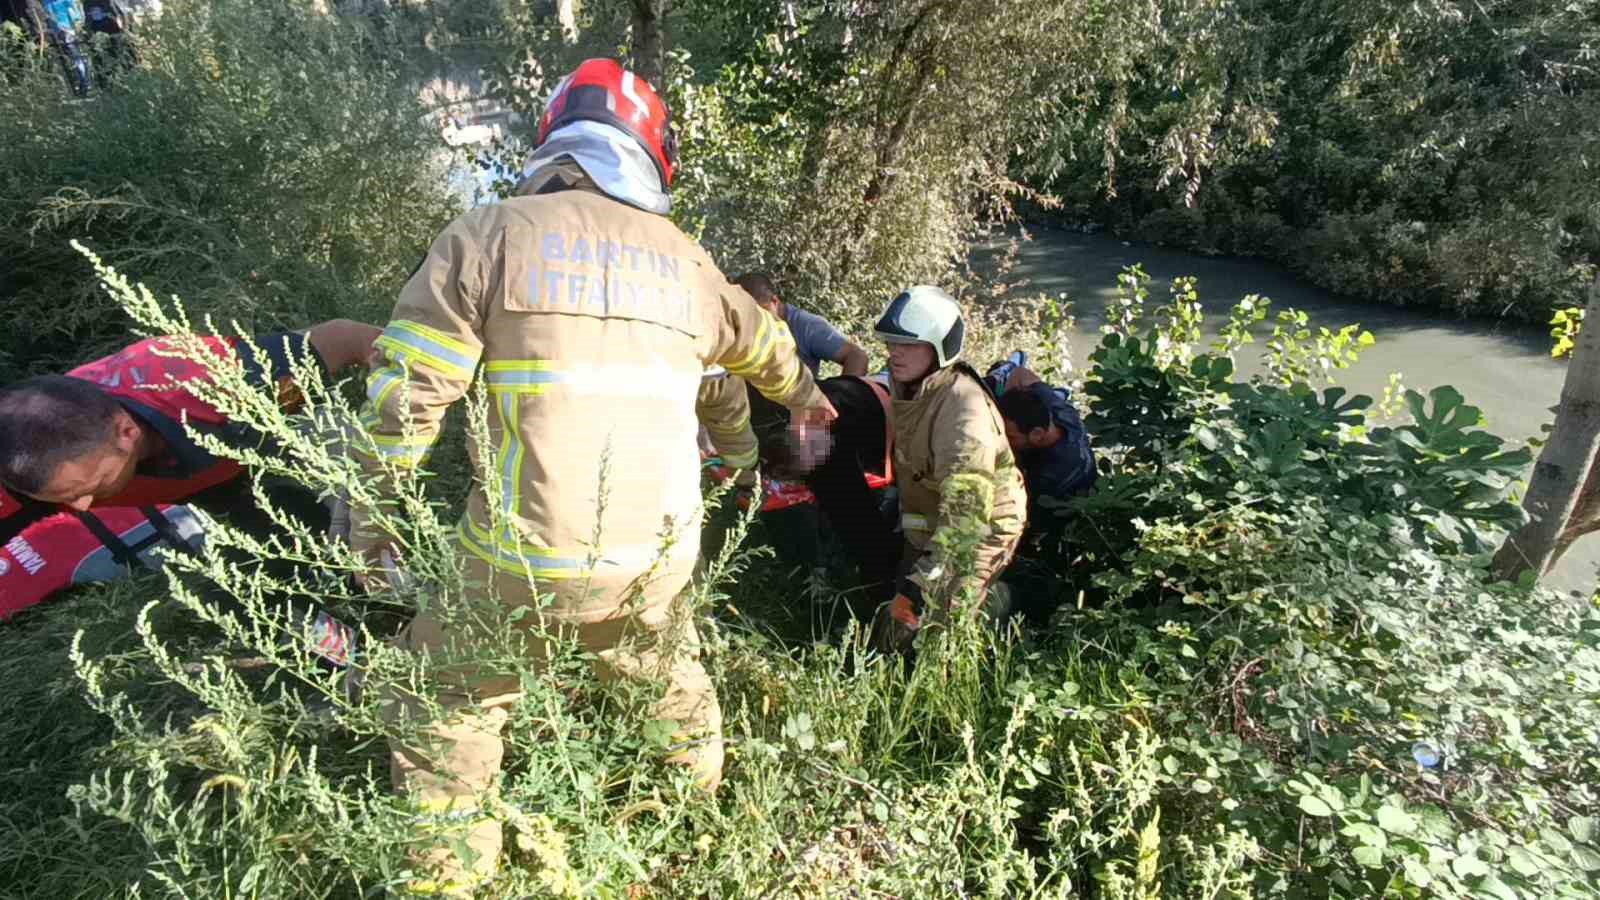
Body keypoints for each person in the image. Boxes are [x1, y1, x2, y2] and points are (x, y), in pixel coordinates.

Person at [348, 58, 834, 897]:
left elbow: (405, 401)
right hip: (654, 562)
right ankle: (688, 827)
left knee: (444, 708)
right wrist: (810, 403)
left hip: (519, 563)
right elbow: (769, 348)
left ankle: (447, 876)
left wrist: (372, 519)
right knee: (671, 684)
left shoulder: (487, 235)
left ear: (553, 142)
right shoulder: (690, 264)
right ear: (653, 158)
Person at [0, 320, 381, 657]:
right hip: (203, 484)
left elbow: (350, 338)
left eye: (90, 488)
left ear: (126, 433)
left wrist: (393, 453)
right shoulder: (27, 465)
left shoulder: (208, 379)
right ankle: (363, 660)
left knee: (360, 534)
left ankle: (401, 598)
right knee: (253, 587)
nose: (82, 508)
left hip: (264, 440)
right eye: (60, 499)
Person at [869, 285, 1027, 653]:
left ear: (940, 347)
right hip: (931, 519)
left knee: (939, 634)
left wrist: (926, 581)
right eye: (891, 342)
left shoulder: (963, 409)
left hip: (978, 528)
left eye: (908, 344)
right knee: (897, 621)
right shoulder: (909, 385)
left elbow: (967, 517)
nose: (894, 352)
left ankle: (993, 604)